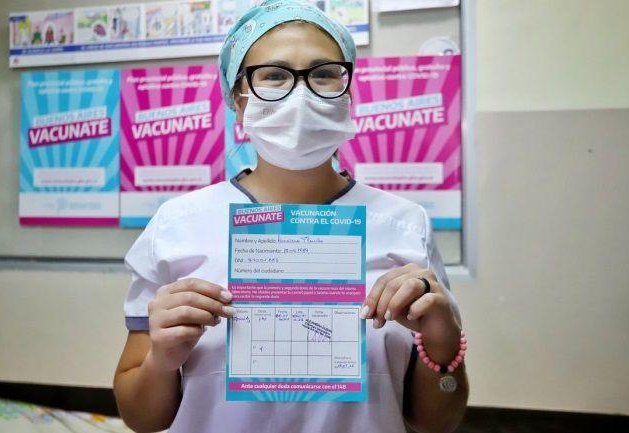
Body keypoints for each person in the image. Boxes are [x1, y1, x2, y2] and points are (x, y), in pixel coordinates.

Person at [113, 1, 468, 432]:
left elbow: (438, 422)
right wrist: (162, 361)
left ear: (347, 93)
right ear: (238, 100)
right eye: (274, 76)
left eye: (324, 74)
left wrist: (442, 342)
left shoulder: (405, 225)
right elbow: (140, 418)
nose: (302, 95)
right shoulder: (176, 225)